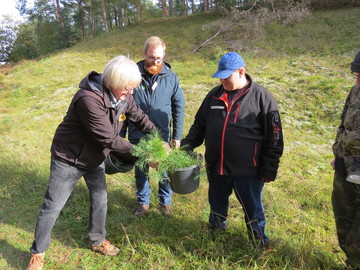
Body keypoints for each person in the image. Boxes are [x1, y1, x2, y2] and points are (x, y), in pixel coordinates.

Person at [26, 55, 157, 270]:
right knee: (53, 206)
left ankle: (97, 240)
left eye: (133, 88)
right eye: (127, 88)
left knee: (100, 199)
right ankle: (38, 252)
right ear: (114, 83)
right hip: (68, 158)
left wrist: (157, 139)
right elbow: (109, 139)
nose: (130, 92)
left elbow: (139, 117)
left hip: (95, 156)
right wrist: (144, 154)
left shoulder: (124, 95)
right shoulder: (87, 98)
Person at [180, 52, 283, 247]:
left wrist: (269, 169)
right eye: (220, 75)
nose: (222, 80)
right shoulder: (214, 95)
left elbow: (275, 138)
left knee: (252, 208)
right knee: (217, 204)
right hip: (217, 167)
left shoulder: (262, 98)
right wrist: (187, 145)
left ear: (241, 71)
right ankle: (216, 234)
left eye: (226, 76)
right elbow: (199, 125)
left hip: (248, 170)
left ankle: (259, 242)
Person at [120, 36, 185, 217]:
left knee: (164, 168)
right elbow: (124, 103)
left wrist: (177, 135)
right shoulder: (133, 74)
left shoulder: (171, 78)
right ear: (144, 53)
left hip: (161, 132)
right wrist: (121, 132)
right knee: (141, 168)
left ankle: (165, 202)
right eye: (152, 57)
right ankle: (143, 202)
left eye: (159, 58)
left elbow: (179, 106)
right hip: (137, 131)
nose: (155, 61)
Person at [331, 51, 360, 270]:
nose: (357, 80)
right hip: (347, 169)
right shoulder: (355, 92)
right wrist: (338, 155)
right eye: (356, 75)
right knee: (343, 220)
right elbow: (344, 125)